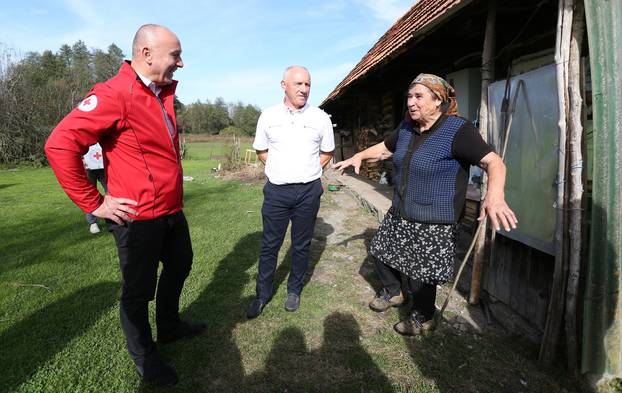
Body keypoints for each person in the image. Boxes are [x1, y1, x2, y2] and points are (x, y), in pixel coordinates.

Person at [45, 24, 206, 386]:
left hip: (170, 211)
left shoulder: (158, 92)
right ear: (147, 54)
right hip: (137, 218)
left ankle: (169, 326)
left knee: (181, 264)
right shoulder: (114, 93)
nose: (181, 63)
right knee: (137, 291)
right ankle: (146, 360)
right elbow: (59, 145)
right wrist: (94, 202)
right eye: (175, 55)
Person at [333, 73, 517, 336]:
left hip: (435, 218)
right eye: (409, 96)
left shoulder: (458, 130)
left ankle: (424, 317)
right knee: (381, 250)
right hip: (402, 209)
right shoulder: (407, 128)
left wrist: (495, 195)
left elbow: (493, 162)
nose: (411, 102)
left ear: (438, 100)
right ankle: (394, 293)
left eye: (418, 96)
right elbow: (386, 148)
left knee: (421, 274)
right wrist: (359, 155)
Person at [247, 66, 335, 319]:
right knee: (270, 245)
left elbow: (327, 152)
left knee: (301, 244)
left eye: (307, 84)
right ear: (283, 85)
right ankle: (262, 294)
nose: (304, 89)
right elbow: (262, 150)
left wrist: (307, 170)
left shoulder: (320, 118)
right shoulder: (268, 116)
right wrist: (281, 170)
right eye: (298, 84)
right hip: (277, 191)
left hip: (308, 191)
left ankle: (294, 290)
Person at [82, 143, 107, 234]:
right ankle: (93, 223)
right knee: (89, 194)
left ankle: (113, 217)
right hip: (89, 168)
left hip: (104, 166)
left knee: (111, 191)